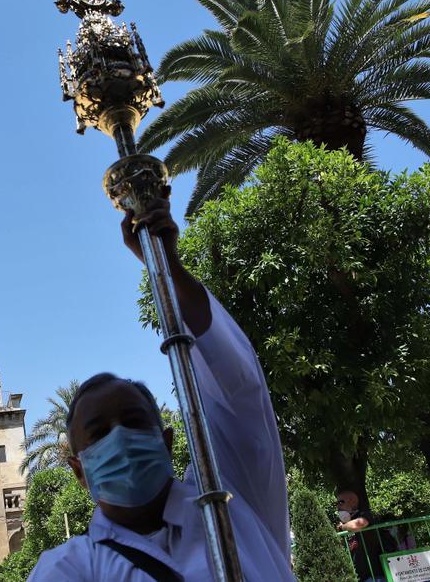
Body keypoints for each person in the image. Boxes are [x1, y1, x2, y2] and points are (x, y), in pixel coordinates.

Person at [28, 194, 294, 581]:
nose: (120, 437)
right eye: (99, 433)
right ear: (78, 471)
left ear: (166, 441)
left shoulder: (234, 503)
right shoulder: (69, 568)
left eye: (135, 422)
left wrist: (169, 268)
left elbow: (240, 396)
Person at [336, 489, 396, 582]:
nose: (337, 506)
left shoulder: (365, 514)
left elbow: (360, 524)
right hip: (359, 578)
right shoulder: (347, 524)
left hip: (374, 576)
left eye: (340, 502)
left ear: (352, 501)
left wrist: (343, 527)